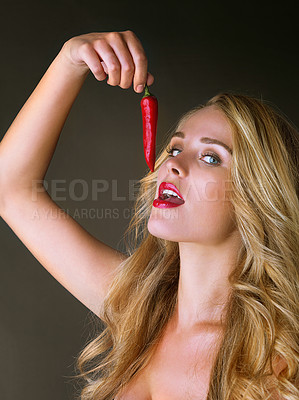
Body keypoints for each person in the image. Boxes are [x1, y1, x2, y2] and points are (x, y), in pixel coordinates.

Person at [0, 30, 298, 400]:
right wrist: (69, 61)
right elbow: (9, 189)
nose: (173, 165)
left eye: (210, 157)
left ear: (257, 194)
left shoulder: (275, 363)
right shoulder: (139, 307)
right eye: (175, 148)